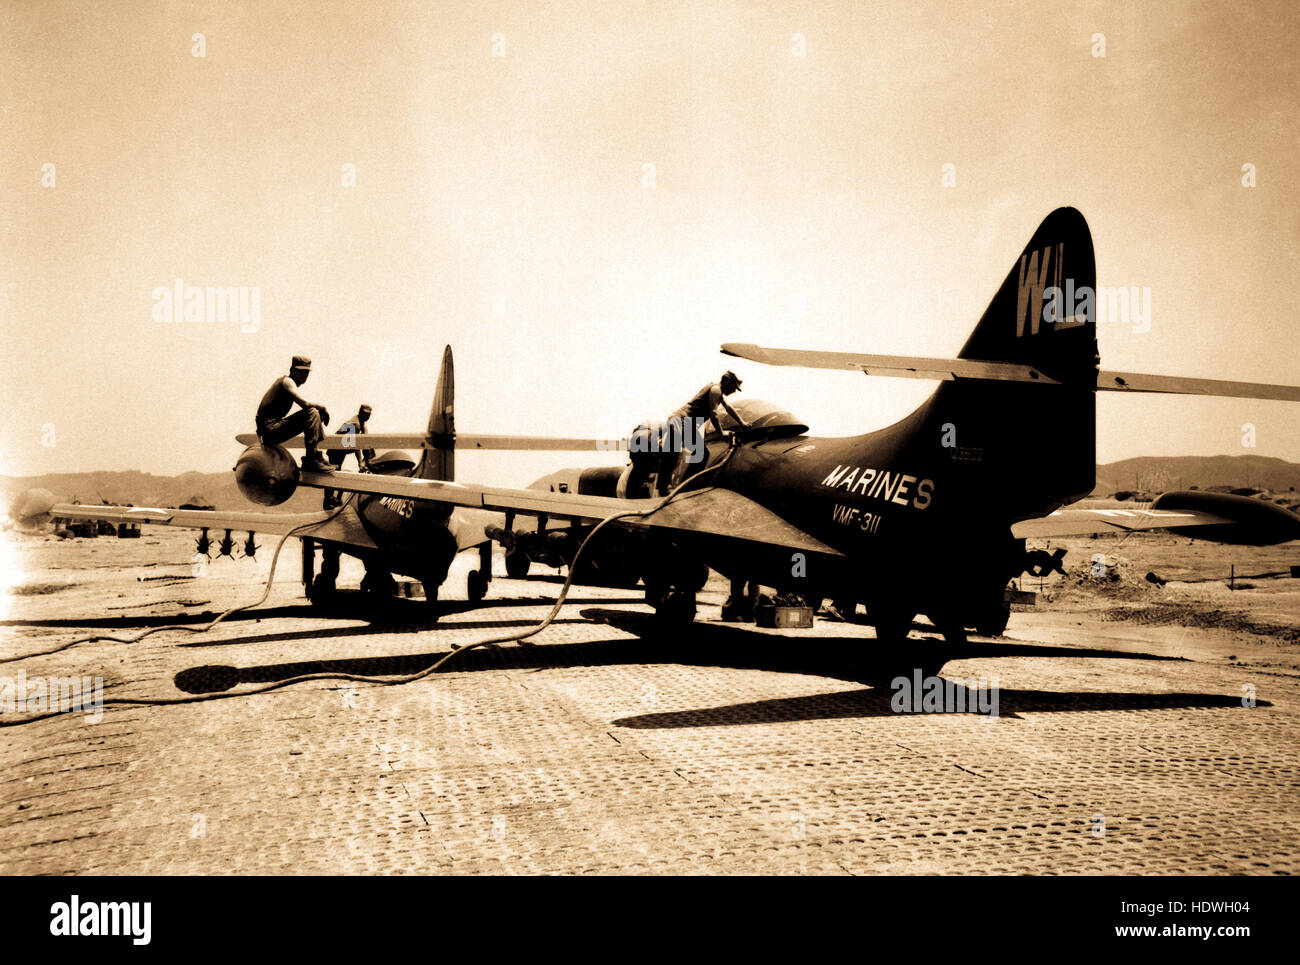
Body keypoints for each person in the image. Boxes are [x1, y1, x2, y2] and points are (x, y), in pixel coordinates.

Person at [625, 370, 749, 496]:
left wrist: (742, 422)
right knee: (692, 453)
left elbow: (729, 408)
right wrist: (721, 432)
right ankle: (682, 488)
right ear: (727, 381)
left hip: (682, 421)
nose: (734, 391)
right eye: (734, 387)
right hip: (682, 422)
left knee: (677, 453)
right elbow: (714, 414)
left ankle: (671, 487)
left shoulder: (717, 391)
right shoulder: (716, 390)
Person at [256, 355, 333, 473]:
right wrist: (323, 407)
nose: (304, 375)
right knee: (312, 412)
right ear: (292, 370)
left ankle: (315, 455)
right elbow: (305, 404)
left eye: (306, 372)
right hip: (269, 431)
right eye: (300, 371)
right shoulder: (287, 381)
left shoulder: (287, 381)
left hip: (269, 430)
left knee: (315, 413)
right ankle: (311, 460)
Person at [323, 404, 375, 511]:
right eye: (365, 414)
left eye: (368, 415)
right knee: (334, 472)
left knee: (368, 445)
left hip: (343, 446)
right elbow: (354, 445)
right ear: (360, 413)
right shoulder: (353, 424)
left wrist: (368, 458)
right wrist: (360, 462)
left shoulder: (362, 424)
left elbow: (364, 442)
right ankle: (328, 500)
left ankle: (333, 498)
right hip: (335, 449)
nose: (367, 417)